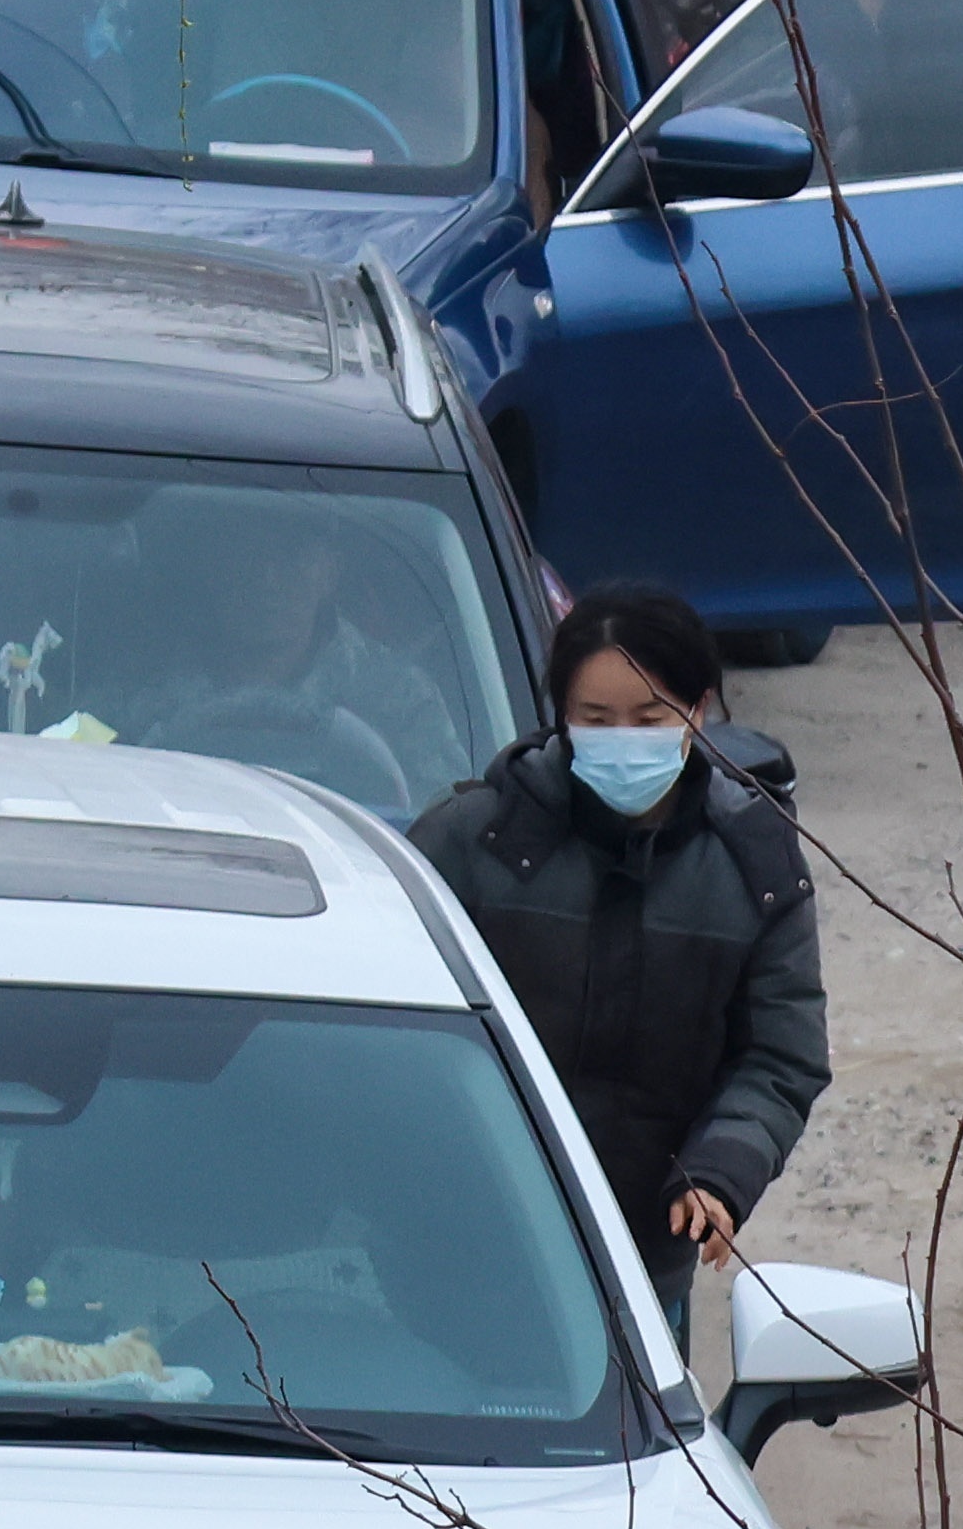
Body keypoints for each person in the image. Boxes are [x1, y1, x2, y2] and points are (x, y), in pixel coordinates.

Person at [405, 586, 826, 1267]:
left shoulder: (755, 866)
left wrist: (720, 1174)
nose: (622, 744)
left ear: (699, 710)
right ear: (561, 718)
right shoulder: (470, 843)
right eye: (596, 719)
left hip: (641, 1250)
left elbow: (781, 1056)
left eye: (649, 718)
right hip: (460, 1225)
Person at [127, 492, 468, 815]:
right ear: (213, 571)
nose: (267, 579)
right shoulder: (138, 692)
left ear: (330, 573)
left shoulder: (398, 700)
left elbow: (442, 829)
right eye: (246, 556)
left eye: (292, 554)